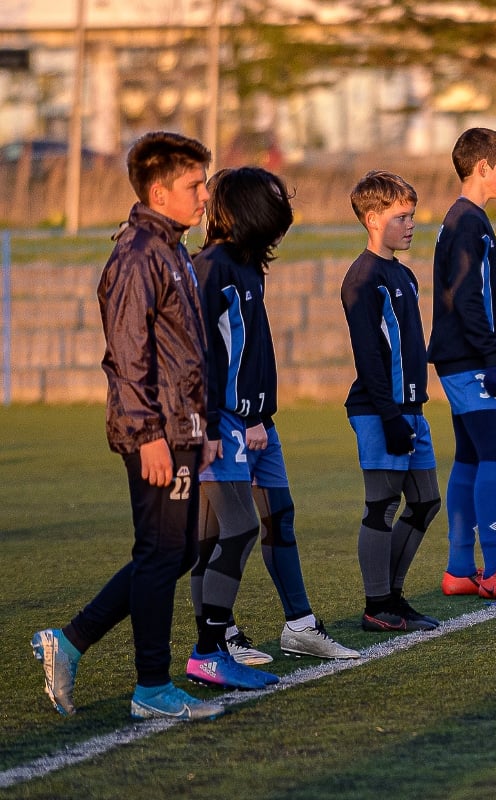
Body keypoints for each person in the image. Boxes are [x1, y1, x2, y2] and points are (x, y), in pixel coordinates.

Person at [31, 131, 225, 721]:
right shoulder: (138, 254)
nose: (205, 195)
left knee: (177, 549)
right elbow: (127, 354)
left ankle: (68, 642)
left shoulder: (171, 249)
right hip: (156, 432)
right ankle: (150, 687)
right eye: (195, 185)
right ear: (160, 191)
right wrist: (149, 436)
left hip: (183, 428)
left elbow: (186, 351)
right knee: (164, 551)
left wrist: (204, 427)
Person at [188, 167, 357, 692]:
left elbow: (251, 351)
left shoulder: (249, 268)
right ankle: (216, 641)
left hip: (258, 421)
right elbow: (203, 357)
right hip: (225, 424)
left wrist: (261, 413)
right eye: (274, 207)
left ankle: (299, 625)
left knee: (277, 516)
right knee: (216, 533)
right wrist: (223, 419)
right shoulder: (209, 268)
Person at [340, 170, 441, 633]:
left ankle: (394, 597)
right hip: (380, 410)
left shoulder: (404, 274)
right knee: (381, 504)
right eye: (402, 216)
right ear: (374, 218)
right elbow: (369, 357)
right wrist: (390, 415)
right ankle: (376, 603)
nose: (411, 224)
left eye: (412, 216)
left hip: (411, 411)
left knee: (424, 502)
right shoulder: (363, 278)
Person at [428, 128, 496, 600]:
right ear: (482, 167)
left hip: (462, 357)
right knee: (495, 454)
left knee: (470, 454)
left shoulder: (465, 219)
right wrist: (493, 357)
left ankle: (460, 566)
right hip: (468, 359)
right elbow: (467, 297)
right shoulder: (467, 222)